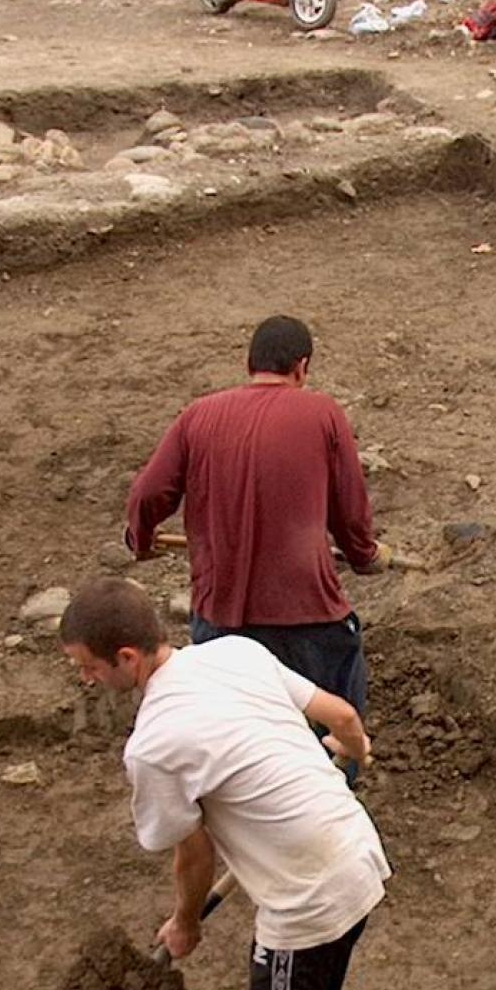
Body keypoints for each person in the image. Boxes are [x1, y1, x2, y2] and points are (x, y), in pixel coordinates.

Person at [60, 577, 388, 990]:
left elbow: (194, 857)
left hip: (310, 898)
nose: (85, 678)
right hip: (357, 851)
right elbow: (343, 715)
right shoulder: (235, 654)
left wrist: (185, 924)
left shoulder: (153, 745)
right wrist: (356, 749)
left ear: (126, 658)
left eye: (88, 667)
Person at [125, 315, 389, 740]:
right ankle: (332, 791)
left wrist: (140, 538)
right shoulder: (322, 413)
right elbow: (350, 512)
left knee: (233, 733)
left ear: (250, 363)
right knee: (338, 719)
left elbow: (147, 494)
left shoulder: (198, 415)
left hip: (219, 619)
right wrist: (365, 556)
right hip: (305, 613)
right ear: (301, 367)